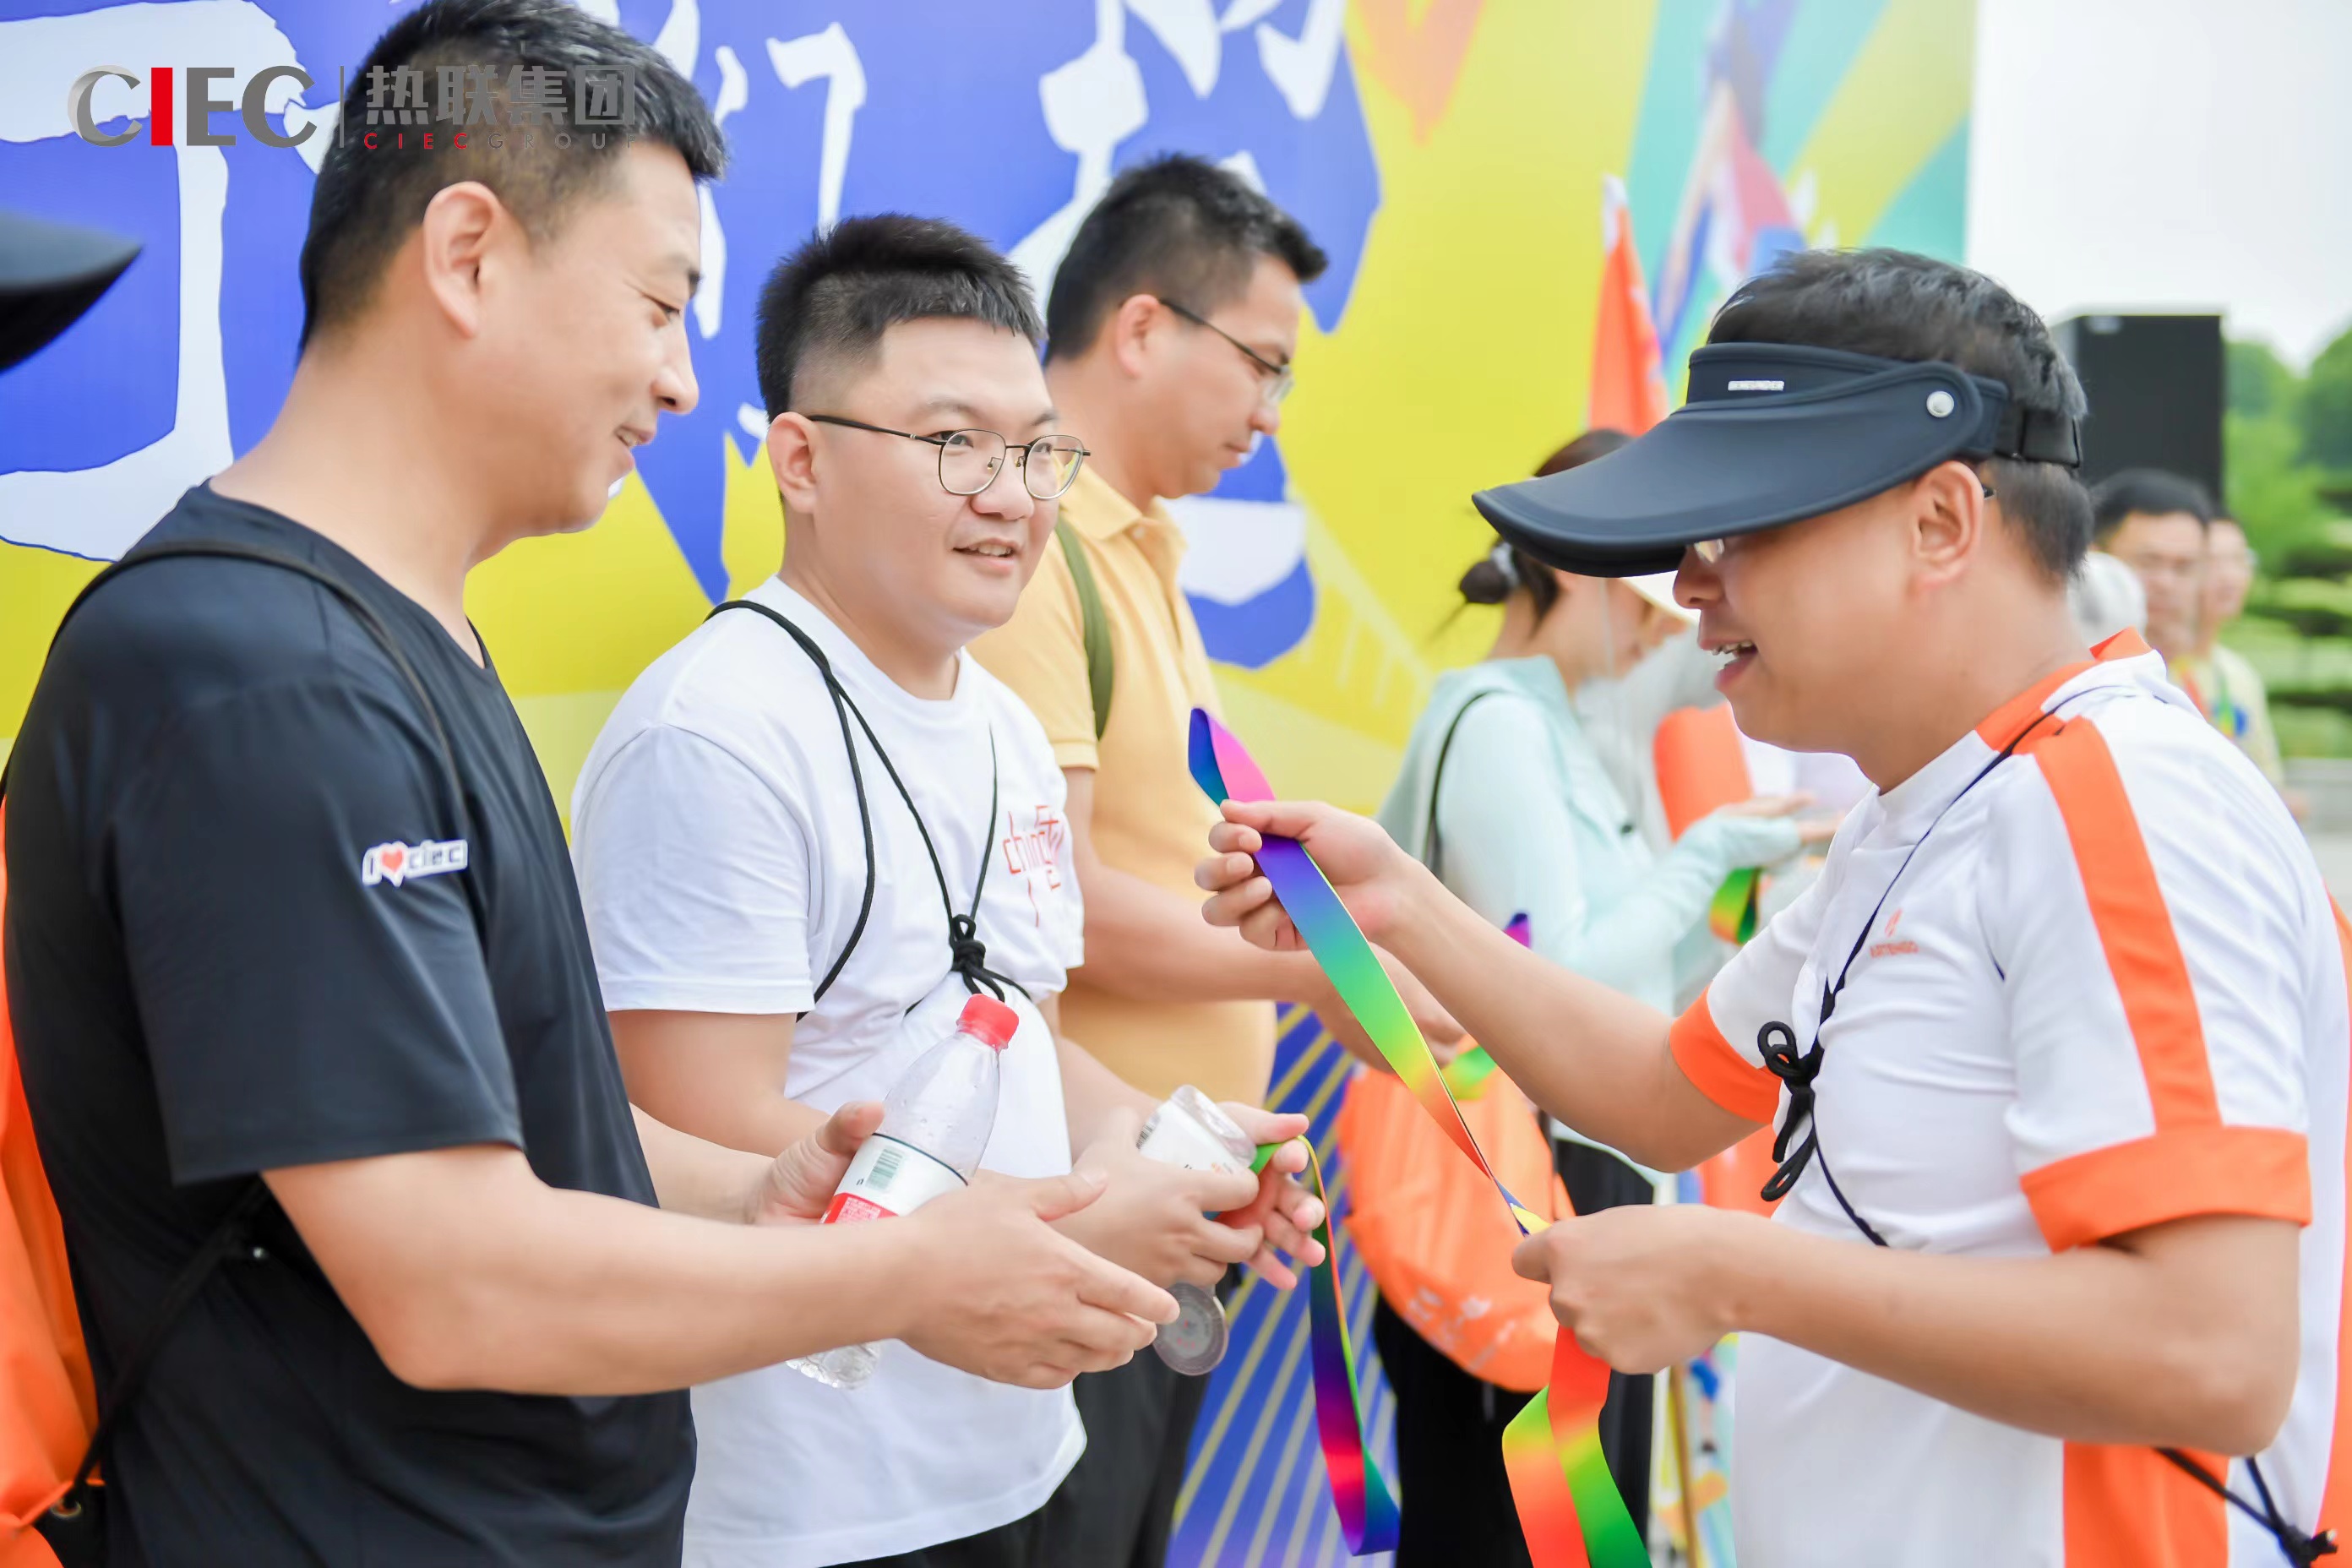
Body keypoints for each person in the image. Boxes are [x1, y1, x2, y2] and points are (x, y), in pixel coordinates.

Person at [2, 8, 1176, 1562]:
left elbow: (509, 1134)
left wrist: (760, 1192)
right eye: (659, 304)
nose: (682, 384)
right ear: (468, 256)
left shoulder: (396, 637)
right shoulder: (263, 679)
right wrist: (901, 1275)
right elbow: (449, 1277)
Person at [1198, 248, 2345, 1567]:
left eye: (1746, 529)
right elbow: (1663, 1089)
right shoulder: (1924, 815)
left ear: (1941, 523)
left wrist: (1730, 1272)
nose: (1691, 585)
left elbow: (2211, 1354)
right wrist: (1399, 902)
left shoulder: (2119, 807)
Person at [568, 215, 1323, 1568]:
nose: (1013, 496)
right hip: (801, 1501)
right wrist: (1081, 1214)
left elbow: (1023, 1036)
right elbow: (696, 1131)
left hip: (1013, 1453)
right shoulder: (717, 731)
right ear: (801, 459)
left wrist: (1175, 1154)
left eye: (1036, 451)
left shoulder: (1008, 732)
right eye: (955, 444)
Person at [967, 152, 1457, 1565]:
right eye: (1261, 363)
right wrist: (1321, 977)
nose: (1270, 411)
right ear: (1140, 327)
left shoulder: (1141, 553)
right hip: (1076, 1204)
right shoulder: (1035, 552)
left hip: (1166, 1200)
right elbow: (1054, 905)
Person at [1368, 433, 1817, 1565]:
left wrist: (1742, 905)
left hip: (1585, 1176)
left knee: (1571, 1527)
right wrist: (1707, 852)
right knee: (1514, 1533)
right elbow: (1558, 975)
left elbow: (1637, 989)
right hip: (1529, 1186)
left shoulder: (1555, 725)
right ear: (1574, 567)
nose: (1680, 627)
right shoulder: (1499, 723)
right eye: (1655, 597)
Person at [2175, 513, 2288, 787]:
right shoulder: (2152, 668)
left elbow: (2269, 779)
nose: (2230, 576)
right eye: (2213, 561)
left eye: (2239, 560)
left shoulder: (2239, 674)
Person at [2094, 466, 2215, 664]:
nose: (2165, 583)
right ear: (2096, 558)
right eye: (2148, 562)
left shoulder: (2207, 672)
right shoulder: (2067, 669)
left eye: (2184, 568)